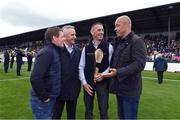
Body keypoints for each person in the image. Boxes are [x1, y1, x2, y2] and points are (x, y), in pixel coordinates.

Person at [104, 15, 146, 119]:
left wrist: (118, 72)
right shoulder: (119, 42)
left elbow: (139, 64)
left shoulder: (137, 41)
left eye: (117, 26)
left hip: (130, 91)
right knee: (122, 117)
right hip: (120, 89)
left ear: (126, 25)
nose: (115, 29)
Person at [79, 22, 113, 119]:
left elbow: (111, 66)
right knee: (88, 111)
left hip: (103, 84)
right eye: (99, 30)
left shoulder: (109, 47)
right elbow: (81, 66)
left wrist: (102, 75)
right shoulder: (86, 48)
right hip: (88, 84)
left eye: (102, 30)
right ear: (92, 32)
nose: (101, 32)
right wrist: (84, 83)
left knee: (103, 111)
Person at [30, 27, 64, 119]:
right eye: (62, 36)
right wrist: (44, 97)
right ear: (55, 38)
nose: (64, 38)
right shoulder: (47, 52)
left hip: (51, 98)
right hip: (42, 101)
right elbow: (35, 78)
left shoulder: (55, 51)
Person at [52, 25, 81, 119]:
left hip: (73, 91)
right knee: (56, 116)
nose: (75, 37)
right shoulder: (56, 50)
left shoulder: (78, 51)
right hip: (58, 92)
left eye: (75, 34)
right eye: (72, 35)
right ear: (64, 36)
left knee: (72, 116)